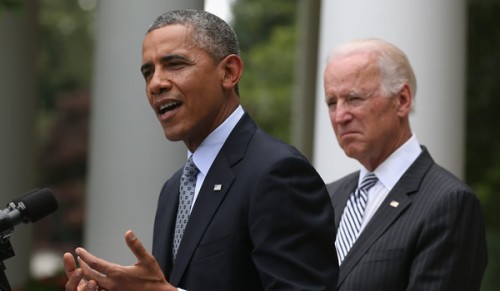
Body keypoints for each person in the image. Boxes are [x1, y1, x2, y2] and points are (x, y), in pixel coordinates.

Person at [64, 9, 339, 291]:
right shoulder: (173, 189)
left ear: (229, 72)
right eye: (148, 72)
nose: (156, 83)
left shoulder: (278, 172)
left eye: (175, 64)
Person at [322, 38, 488, 290]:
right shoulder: (326, 198)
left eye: (354, 98)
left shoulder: (448, 203)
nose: (340, 116)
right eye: (332, 102)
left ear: (401, 100)